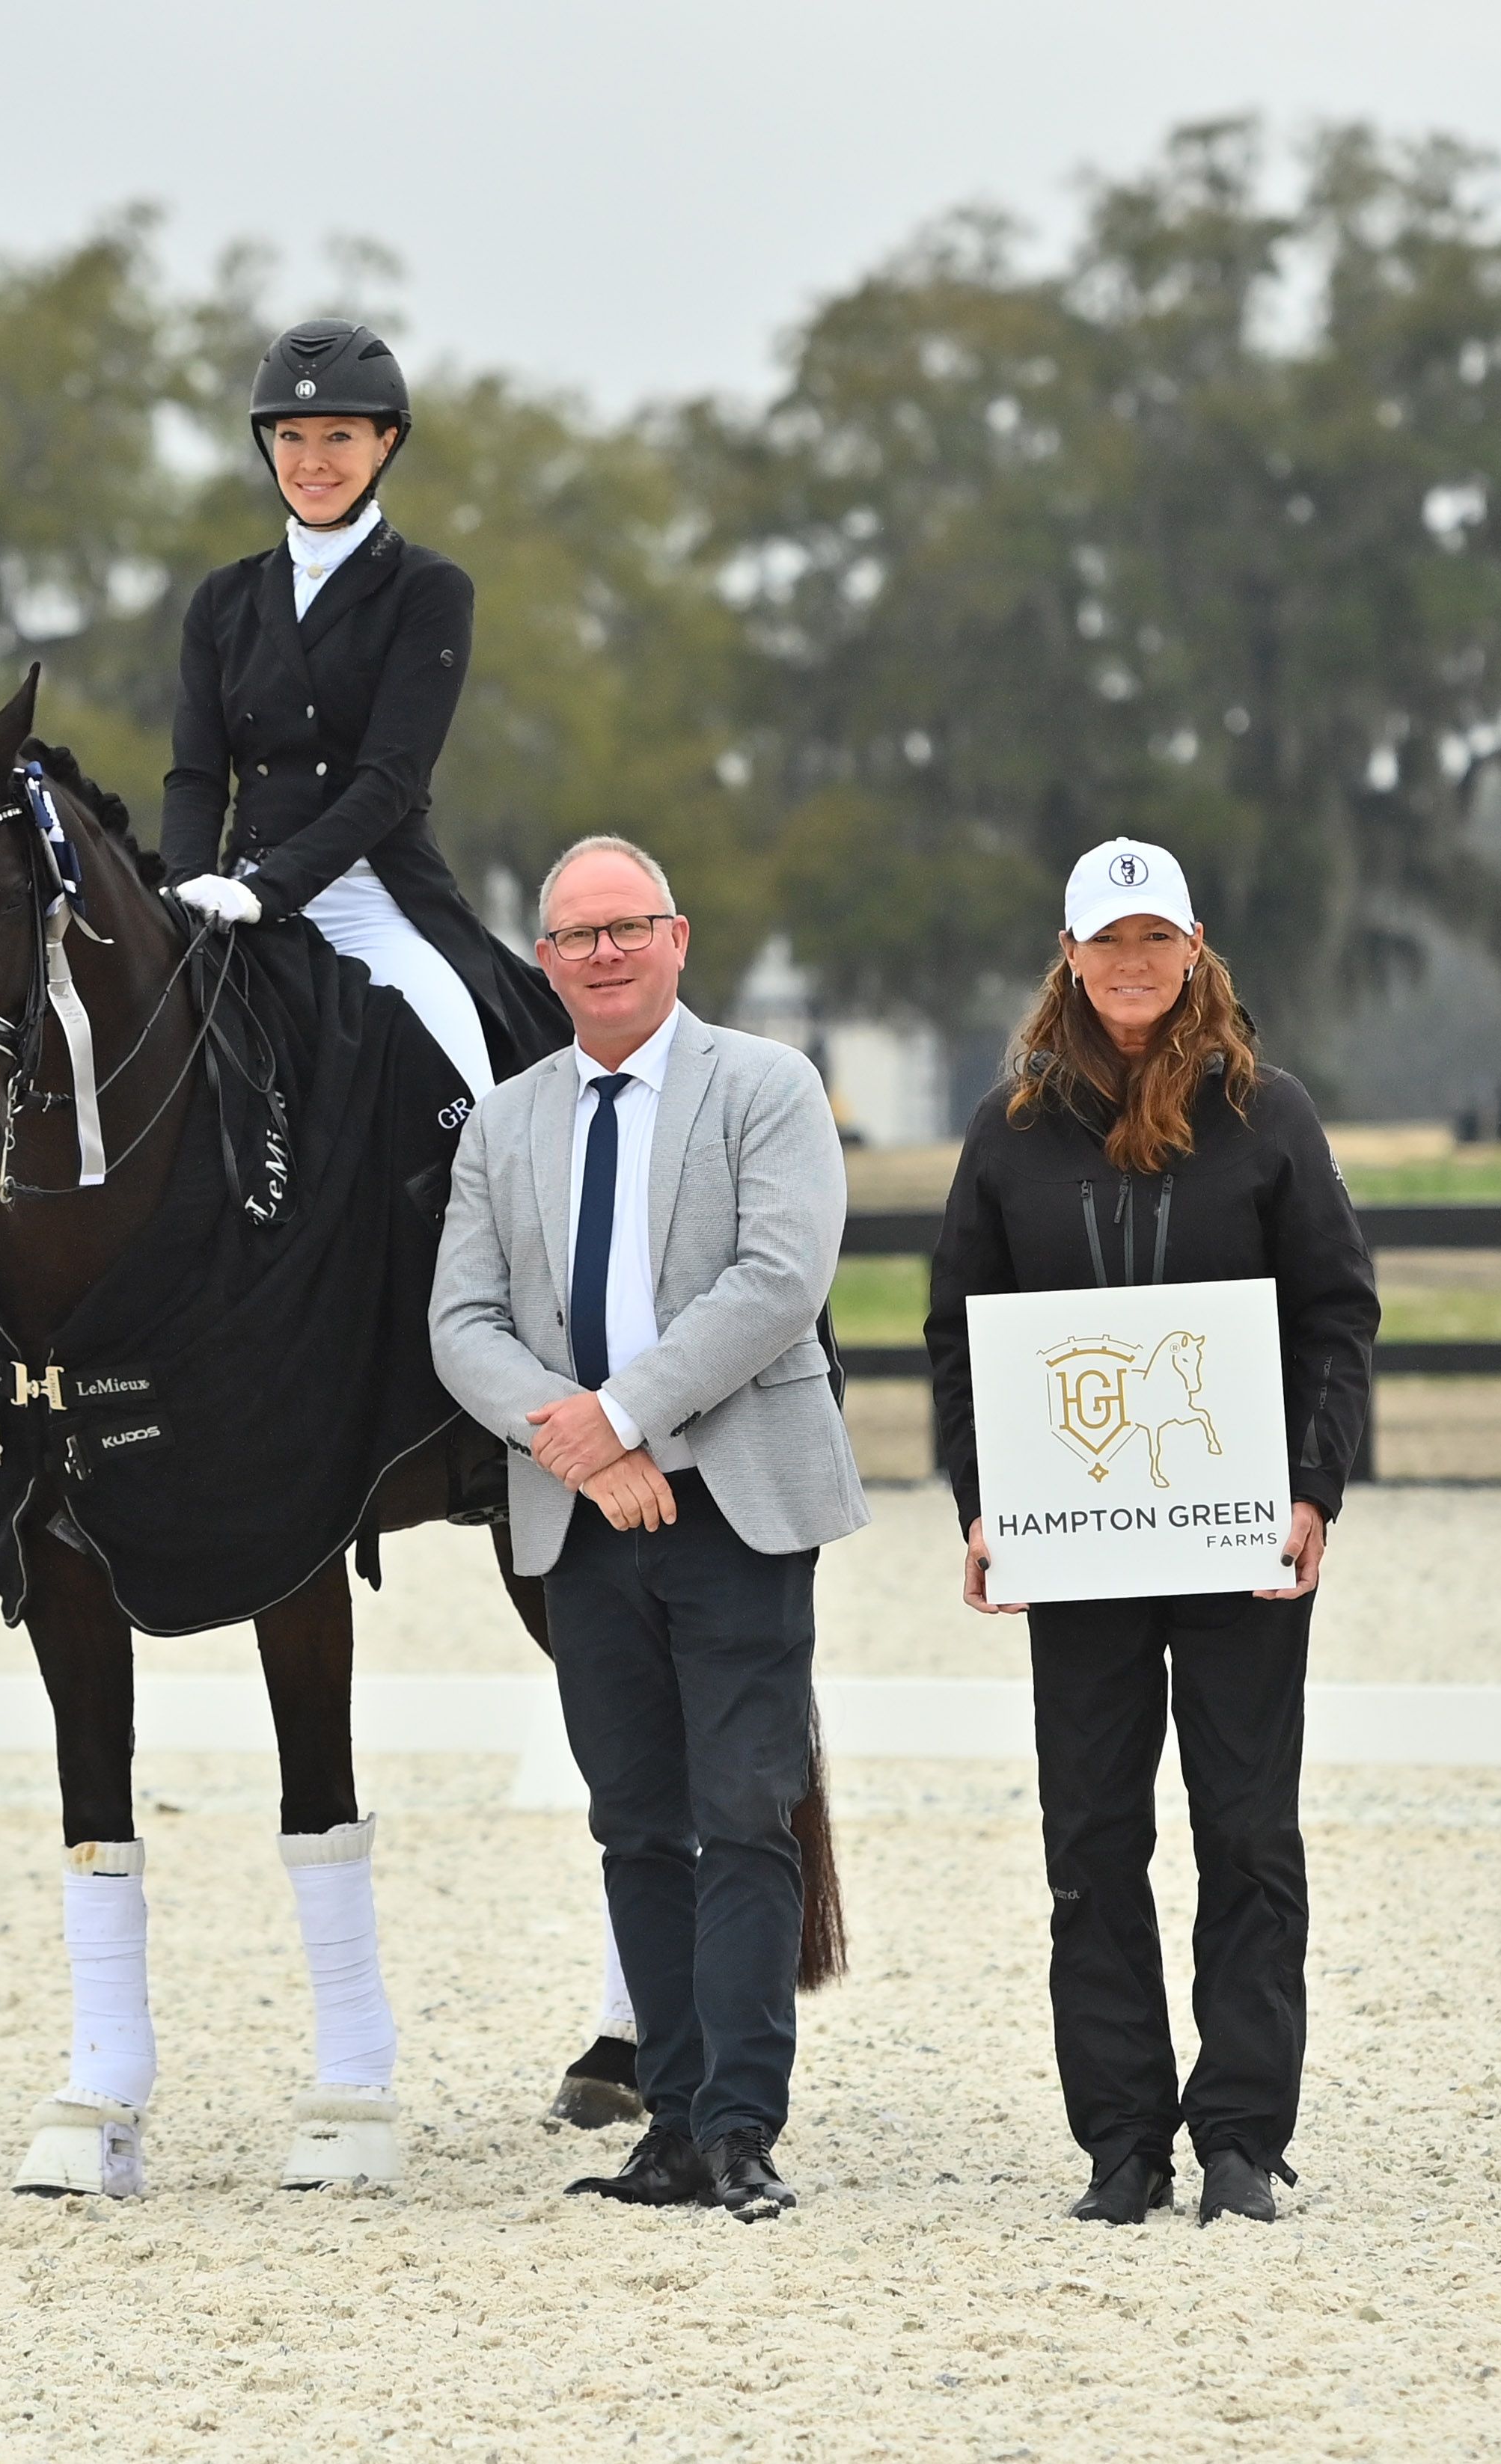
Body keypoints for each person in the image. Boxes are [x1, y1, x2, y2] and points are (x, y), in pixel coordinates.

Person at [926, 838, 1378, 2229]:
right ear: (1068, 955)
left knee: (1244, 1832)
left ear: (1191, 949)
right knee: (1090, 1839)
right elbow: (957, 1331)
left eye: (1153, 939)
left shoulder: (1268, 1115)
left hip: (1239, 1540)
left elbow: (1334, 1311)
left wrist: (1311, 1486)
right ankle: (1119, 2139)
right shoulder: (1007, 1130)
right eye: (1105, 941)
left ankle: (1241, 2135)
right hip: (1078, 1543)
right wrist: (982, 1500)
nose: (1130, 963)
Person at [429, 834, 866, 2219]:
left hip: (733, 1500)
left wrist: (618, 1417)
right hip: (579, 1518)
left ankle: (738, 2124)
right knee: (633, 1822)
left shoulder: (764, 1086)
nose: (604, 952)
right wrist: (568, 1436)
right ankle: (669, 2124)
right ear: (546, 961)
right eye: (577, 934)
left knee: (743, 1814)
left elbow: (776, 1280)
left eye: (628, 927)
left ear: (677, 939)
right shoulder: (502, 1123)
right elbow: (460, 1320)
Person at [159, 317, 564, 1098]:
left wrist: (266, 892)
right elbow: (196, 776)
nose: (311, 461)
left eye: (338, 436)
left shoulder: (427, 590)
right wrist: (184, 891)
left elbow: (390, 780)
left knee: (472, 1098)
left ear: (385, 444)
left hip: (373, 899)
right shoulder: (222, 599)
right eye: (291, 437)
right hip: (230, 895)